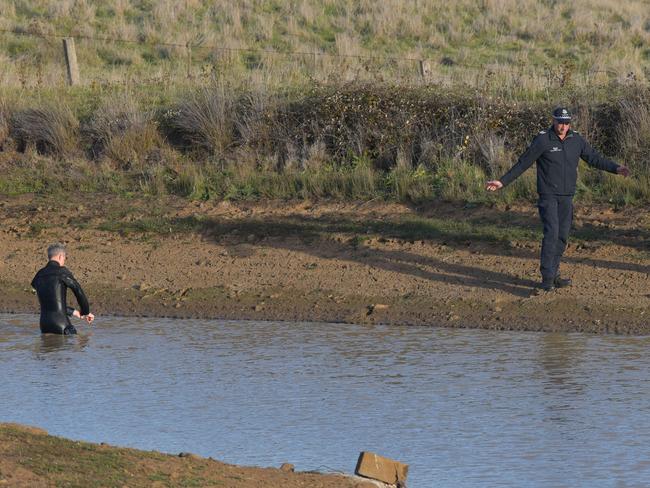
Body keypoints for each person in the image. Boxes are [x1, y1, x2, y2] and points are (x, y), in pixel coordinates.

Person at [486, 106, 630, 291]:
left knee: (562, 236)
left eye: (566, 123)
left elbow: (594, 158)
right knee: (552, 233)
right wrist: (502, 182)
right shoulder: (543, 140)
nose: (563, 126)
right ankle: (547, 278)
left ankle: (554, 274)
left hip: (567, 196)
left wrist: (616, 168)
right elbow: (523, 163)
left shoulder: (576, 140)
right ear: (553, 120)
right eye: (559, 122)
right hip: (548, 195)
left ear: (570, 123)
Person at [31, 243, 95, 334]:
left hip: (44, 326)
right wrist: (85, 312)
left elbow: (51, 303)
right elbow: (78, 291)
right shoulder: (62, 272)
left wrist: (75, 312)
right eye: (64, 258)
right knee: (81, 343)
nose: (64, 261)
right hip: (62, 325)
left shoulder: (39, 275)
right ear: (61, 256)